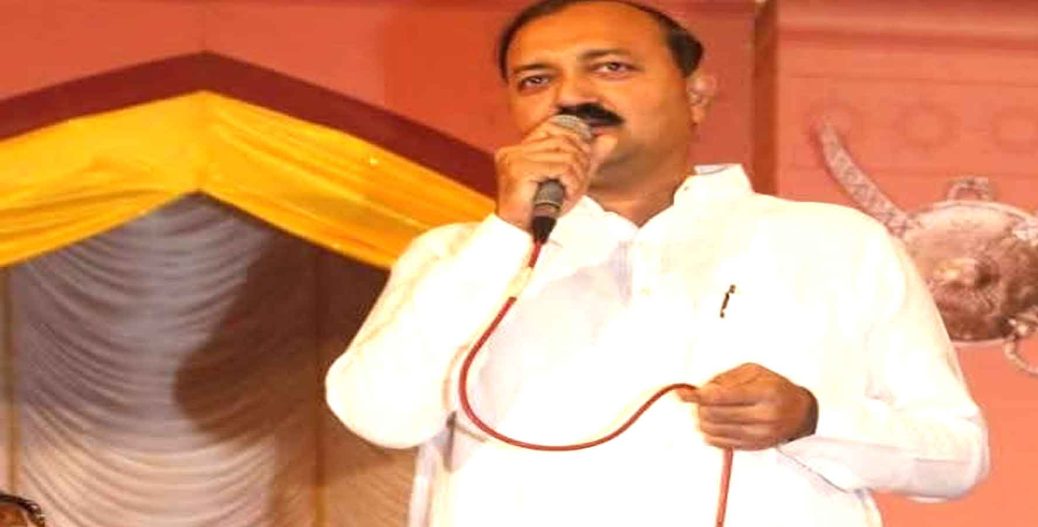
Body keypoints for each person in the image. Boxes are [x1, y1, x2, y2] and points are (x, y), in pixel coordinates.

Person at [325, 1, 989, 525]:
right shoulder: (456, 255)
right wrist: (507, 232)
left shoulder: (835, 243)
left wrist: (814, 420)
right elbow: (381, 414)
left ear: (696, 95)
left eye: (611, 67)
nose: (569, 95)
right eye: (536, 80)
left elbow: (957, 456)